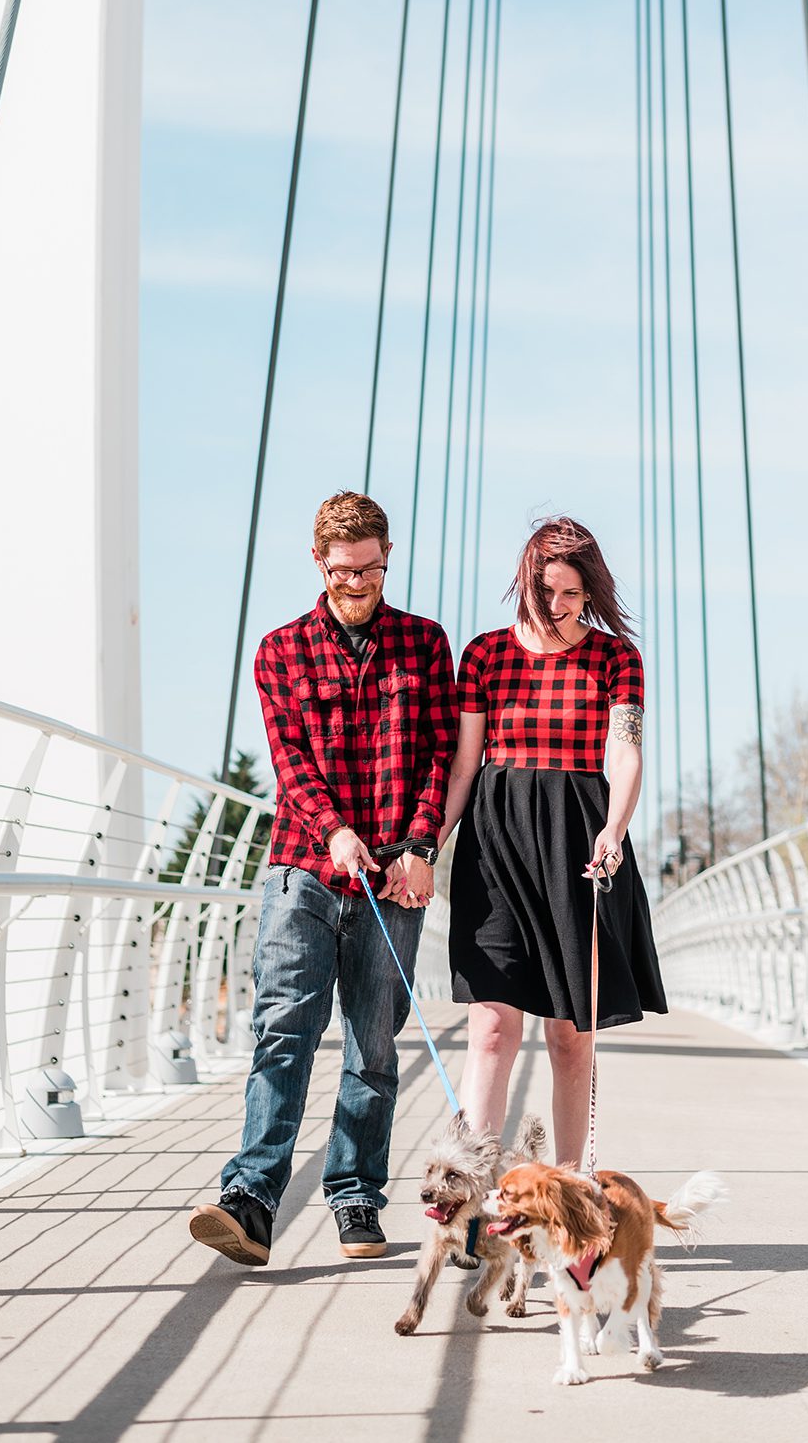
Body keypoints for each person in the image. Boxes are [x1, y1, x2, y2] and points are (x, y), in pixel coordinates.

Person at [190, 491, 457, 1268]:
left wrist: (419, 846)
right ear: (319, 562)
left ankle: (355, 1199)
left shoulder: (425, 645)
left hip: (393, 877)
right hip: (302, 872)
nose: (361, 582)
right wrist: (335, 829)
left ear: (387, 557)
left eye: (374, 568)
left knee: (374, 1047)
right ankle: (252, 1201)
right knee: (285, 1036)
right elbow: (291, 762)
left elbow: (439, 754)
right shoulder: (280, 651)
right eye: (346, 571)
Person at [441, 516, 667, 1166]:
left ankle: (570, 1190)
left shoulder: (616, 658)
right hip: (494, 844)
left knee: (572, 1037)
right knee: (489, 1029)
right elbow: (464, 764)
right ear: (526, 586)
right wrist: (428, 847)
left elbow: (625, 753)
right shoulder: (484, 655)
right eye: (548, 593)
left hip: (579, 842)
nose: (560, 608)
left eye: (573, 595)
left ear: (591, 592)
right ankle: (475, 1193)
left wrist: (615, 829)